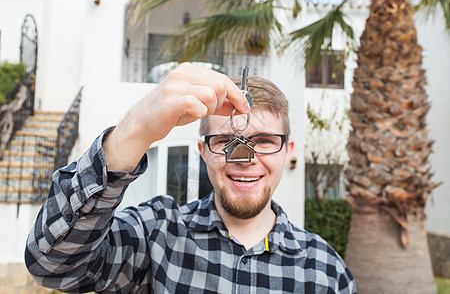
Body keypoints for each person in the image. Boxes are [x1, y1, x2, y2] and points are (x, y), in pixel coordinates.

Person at [25, 63, 355, 293]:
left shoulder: (326, 271)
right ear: (203, 150)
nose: (245, 159)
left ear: (287, 151)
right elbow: (51, 264)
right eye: (226, 141)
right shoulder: (155, 233)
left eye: (266, 141)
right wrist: (136, 128)